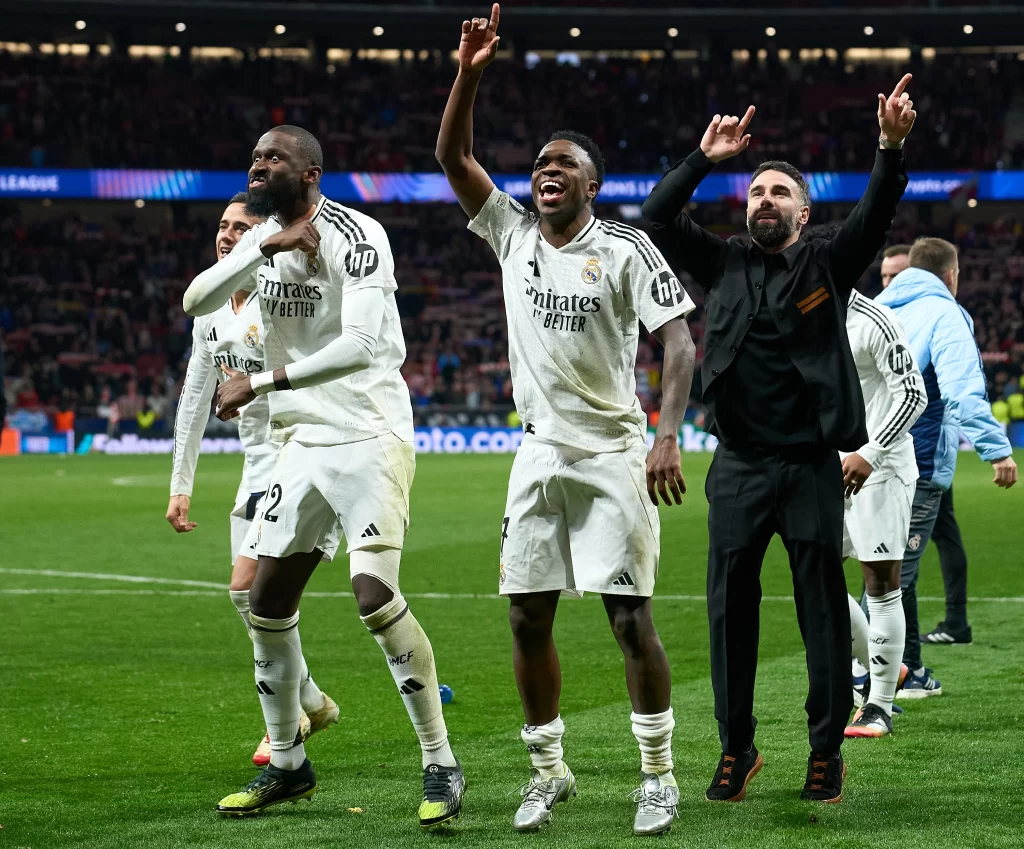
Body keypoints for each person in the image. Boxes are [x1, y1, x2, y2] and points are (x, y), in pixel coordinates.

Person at [436, 5, 697, 835]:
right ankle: (549, 771)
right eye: (541, 162)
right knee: (525, 614)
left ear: (591, 185)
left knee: (628, 617)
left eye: (565, 164)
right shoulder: (512, 234)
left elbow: (679, 342)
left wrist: (665, 434)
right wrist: (469, 73)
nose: (547, 170)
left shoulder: (624, 248)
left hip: (613, 452)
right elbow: (453, 157)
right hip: (538, 453)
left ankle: (657, 775)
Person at [643, 75, 917, 803]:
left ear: (803, 211)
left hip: (808, 467)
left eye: (779, 193)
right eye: (757, 191)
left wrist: (889, 148)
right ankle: (737, 746)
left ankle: (825, 750)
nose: (765, 200)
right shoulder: (723, 262)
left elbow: (876, 213)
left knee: (821, 613)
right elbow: (657, 216)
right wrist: (704, 159)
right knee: (728, 611)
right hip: (736, 465)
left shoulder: (828, 261)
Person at [182, 127, 464, 826]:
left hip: (369, 432)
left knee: (374, 595)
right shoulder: (262, 237)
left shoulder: (358, 234)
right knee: (265, 601)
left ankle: (440, 761)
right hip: (302, 439)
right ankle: (287, 763)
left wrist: (260, 381)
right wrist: (261, 247)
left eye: (273, 157)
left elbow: (362, 345)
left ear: (309, 172)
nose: (258, 164)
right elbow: (195, 301)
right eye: (254, 155)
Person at [167, 193, 339, 770]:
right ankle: (309, 700)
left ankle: (287, 724)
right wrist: (180, 485)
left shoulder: (284, 294)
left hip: (304, 450)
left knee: (250, 588)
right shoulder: (212, 308)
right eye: (222, 224)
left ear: (263, 236)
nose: (226, 234)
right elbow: (195, 398)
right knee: (250, 596)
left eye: (240, 226)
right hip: (256, 465)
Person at [875, 237, 1017, 694]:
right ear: (951, 275)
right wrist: (996, 449)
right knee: (894, 574)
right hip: (917, 460)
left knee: (881, 565)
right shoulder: (945, 313)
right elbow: (961, 390)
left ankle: (902, 668)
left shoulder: (874, 310)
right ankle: (879, 672)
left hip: (864, 457)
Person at [840, 288, 926, 738]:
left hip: (880, 468)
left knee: (880, 584)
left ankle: (879, 705)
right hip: (823, 466)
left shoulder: (873, 319)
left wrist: (870, 452)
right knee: (816, 578)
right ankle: (875, 668)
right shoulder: (800, 311)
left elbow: (913, 394)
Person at [880, 244, 975, 647]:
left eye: (897, 275)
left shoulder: (934, 315)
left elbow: (950, 388)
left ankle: (890, 658)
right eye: (884, 276)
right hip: (914, 452)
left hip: (920, 453)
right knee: (933, 539)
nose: (890, 282)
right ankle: (945, 631)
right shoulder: (886, 313)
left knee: (892, 562)